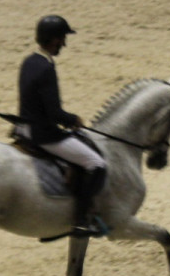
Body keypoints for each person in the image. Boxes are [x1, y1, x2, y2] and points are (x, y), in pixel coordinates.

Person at [17, 15, 107, 237]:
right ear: (54, 40)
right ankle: (81, 220)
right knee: (96, 163)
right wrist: (73, 120)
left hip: (23, 129)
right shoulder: (47, 68)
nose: (64, 44)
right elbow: (54, 113)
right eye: (62, 39)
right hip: (43, 134)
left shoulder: (29, 61)